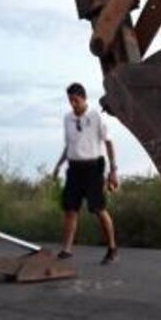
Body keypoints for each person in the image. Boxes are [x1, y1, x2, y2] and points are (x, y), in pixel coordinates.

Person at [52, 83, 120, 265]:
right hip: (74, 169)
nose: (73, 104)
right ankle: (66, 250)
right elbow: (69, 146)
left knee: (98, 209)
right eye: (70, 101)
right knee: (70, 210)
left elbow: (109, 143)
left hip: (93, 168)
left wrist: (113, 171)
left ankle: (112, 248)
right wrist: (58, 166)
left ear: (84, 98)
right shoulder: (67, 119)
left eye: (76, 100)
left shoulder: (96, 116)